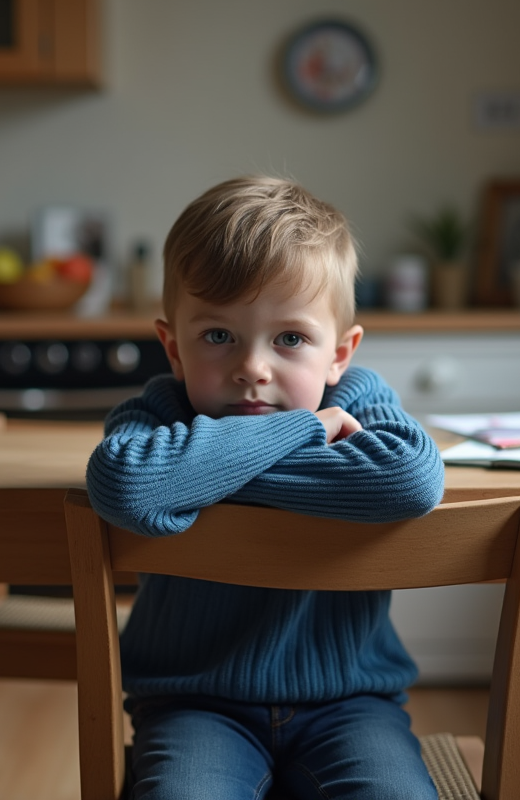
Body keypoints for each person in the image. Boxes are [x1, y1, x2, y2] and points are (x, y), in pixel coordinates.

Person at [85, 175, 446, 799]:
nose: (252, 368)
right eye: (218, 335)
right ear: (173, 346)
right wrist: (308, 429)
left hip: (352, 704)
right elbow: (130, 486)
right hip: (193, 703)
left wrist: (205, 475)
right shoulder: (156, 415)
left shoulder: (361, 398)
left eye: (290, 339)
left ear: (339, 353)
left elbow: (409, 480)